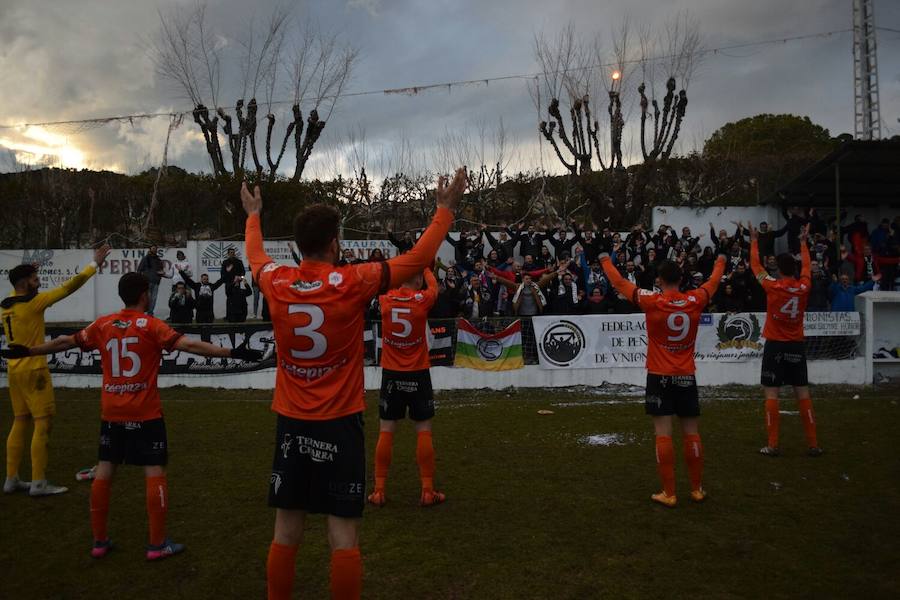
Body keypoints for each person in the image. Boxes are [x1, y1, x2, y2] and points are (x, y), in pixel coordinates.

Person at [241, 167, 466, 600]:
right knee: (343, 535)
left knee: (286, 530)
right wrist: (444, 211)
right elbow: (418, 260)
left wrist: (254, 215)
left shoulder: (277, 280)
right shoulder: (352, 281)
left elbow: (255, 256)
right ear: (334, 244)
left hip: (291, 422)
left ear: (297, 245)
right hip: (340, 424)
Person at [2, 272, 263, 559]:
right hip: (145, 413)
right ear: (144, 295)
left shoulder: (103, 324)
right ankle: (157, 543)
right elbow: (189, 346)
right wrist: (232, 352)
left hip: (112, 412)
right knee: (154, 471)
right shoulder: (151, 325)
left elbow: (66, 342)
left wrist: (30, 350)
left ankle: (99, 541)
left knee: (105, 469)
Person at [601, 247, 726, 507]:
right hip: (686, 375)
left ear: (659, 280)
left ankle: (669, 493)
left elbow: (619, 283)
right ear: (681, 279)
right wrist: (721, 262)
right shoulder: (695, 300)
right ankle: (696, 489)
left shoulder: (652, 300)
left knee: (663, 434)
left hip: (659, 375)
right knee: (691, 432)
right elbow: (712, 284)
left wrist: (604, 260)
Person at [2, 244, 110, 497]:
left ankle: (11, 478)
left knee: (19, 421)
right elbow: (69, 287)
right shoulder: (34, 303)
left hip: (14, 370)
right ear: (24, 283)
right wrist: (94, 264)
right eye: (33, 278)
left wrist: (29, 271)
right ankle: (39, 482)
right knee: (43, 424)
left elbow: (20, 284)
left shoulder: (7, 303)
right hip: (34, 369)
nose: (37, 280)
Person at [368, 268, 444, 508]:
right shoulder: (422, 301)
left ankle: (379, 490)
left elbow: (383, 283)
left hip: (391, 373)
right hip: (418, 372)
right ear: (419, 279)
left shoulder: (385, 300)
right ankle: (427, 490)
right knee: (423, 431)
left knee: (386, 431)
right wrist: (425, 266)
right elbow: (434, 287)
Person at [749, 223, 821, 457]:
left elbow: (755, 266)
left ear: (779, 269)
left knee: (772, 394)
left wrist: (753, 241)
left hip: (775, 345)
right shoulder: (804, 286)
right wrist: (803, 242)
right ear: (795, 268)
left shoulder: (772, 286)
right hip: (796, 345)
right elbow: (808, 267)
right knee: (802, 393)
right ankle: (813, 444)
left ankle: (772, 444)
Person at [137, 245, 168, 316]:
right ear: (150, 249)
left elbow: (161, 270)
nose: (154, 250)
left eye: (155, 249)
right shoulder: (145, 258)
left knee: (153, 298)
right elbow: (139, 270)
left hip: (156, 282)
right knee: (146, 298)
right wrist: (140, 280)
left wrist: (161, 274)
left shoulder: (158, 259)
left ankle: (150, 313)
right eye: (153, 248)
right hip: (147, 281)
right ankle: (142, 312)